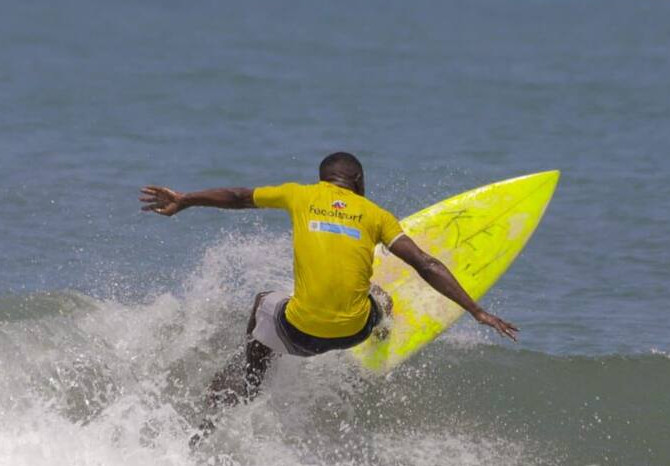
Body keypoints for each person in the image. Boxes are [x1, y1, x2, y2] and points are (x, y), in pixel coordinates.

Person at [140, 152, 519, 435]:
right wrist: (476, 311)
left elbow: (238, 196)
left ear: (323, 179)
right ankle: (382, 329)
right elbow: (426, 264)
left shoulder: (299, 195)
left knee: (262, 301)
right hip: (353, 332)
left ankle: (253, 372)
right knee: (380, 296)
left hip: (297, 334)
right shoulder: (376, 215)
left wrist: (186, 199)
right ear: (359, 181)